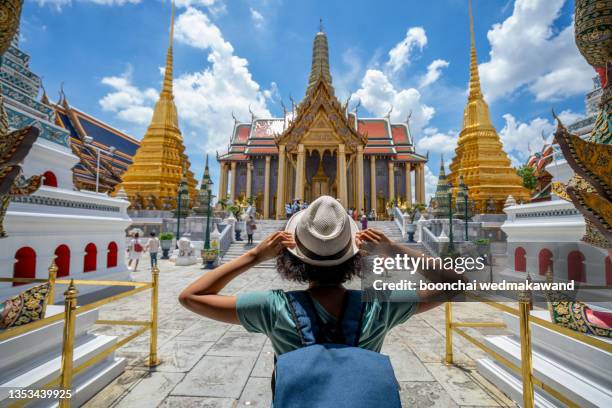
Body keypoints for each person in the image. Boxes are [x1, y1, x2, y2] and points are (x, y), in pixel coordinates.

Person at [179, 195, 466, 406]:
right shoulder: (379, 305)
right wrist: (393, 250)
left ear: (292, 256)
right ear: (356, 255)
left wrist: (254, 256)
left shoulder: (273, 307)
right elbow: (456, 284)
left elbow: (191, 297)